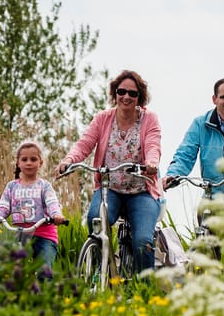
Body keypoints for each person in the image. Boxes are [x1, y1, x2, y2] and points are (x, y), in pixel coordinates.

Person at [57, 70, 162, 275]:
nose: (126, 97)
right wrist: (69, 160)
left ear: (139, 97)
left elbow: (153, 145)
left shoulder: (149, 119)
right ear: (115, 94)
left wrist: (151, 162)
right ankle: (99, 271)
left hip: (141, 191)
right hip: (109, 189)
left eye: (132, 93)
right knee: (95, 220)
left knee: (142, 241)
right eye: (121, 91)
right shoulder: (103, 118)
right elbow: (84, 144)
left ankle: (145, 289)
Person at [0, 142, 67, 277]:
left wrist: (56, 215)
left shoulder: (44, 186)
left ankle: (45, 296)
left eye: (33, 159)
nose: (28, 163)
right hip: (21, 235)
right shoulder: (11, 187)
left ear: (40, 162)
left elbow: (51, 202)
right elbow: (4, 206)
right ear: (18, 163)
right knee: (13, 270)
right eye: (24, 159)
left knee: (44, 271)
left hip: (44, 235)